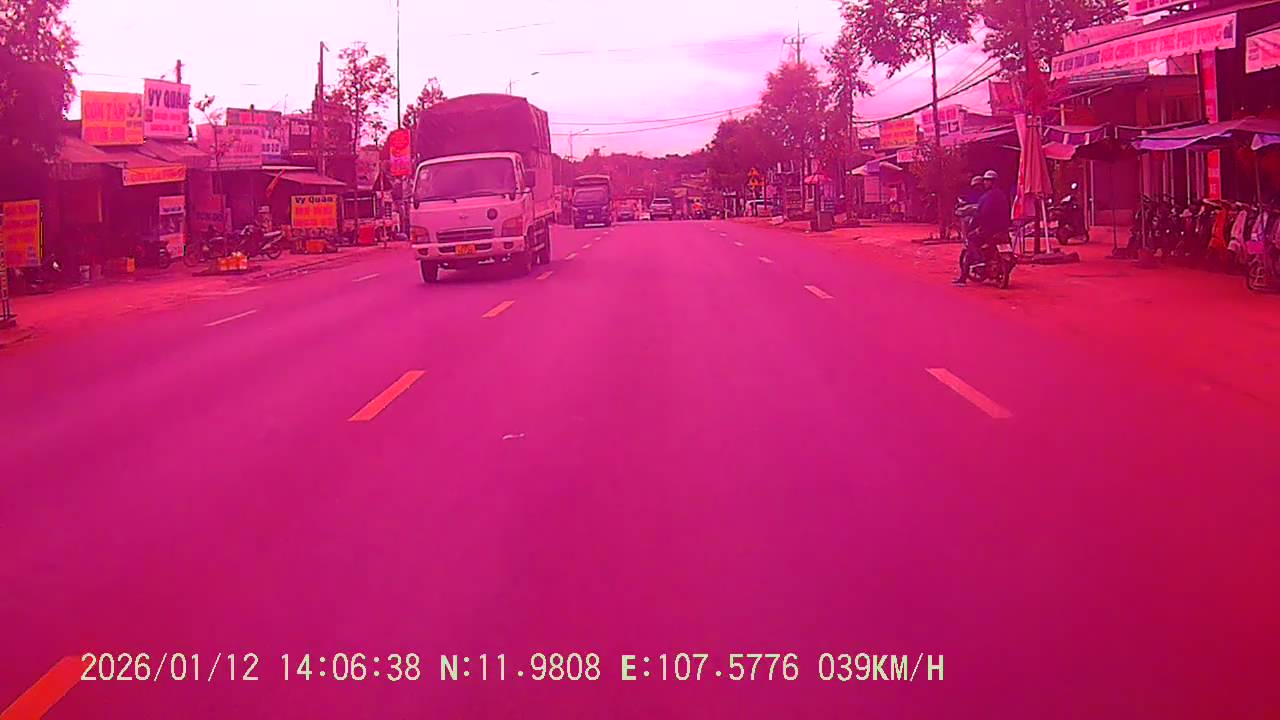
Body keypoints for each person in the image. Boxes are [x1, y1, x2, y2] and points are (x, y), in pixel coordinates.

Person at [955, 170, 1011, 285]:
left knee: (970, 238)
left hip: (989, 229)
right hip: (1003, 229)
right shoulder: (1002, 195)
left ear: (992, 182)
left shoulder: (987, 197)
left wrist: (976, 221)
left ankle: (977, 261)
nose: (985, 183)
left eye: (987, 181)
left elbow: (982, 214)